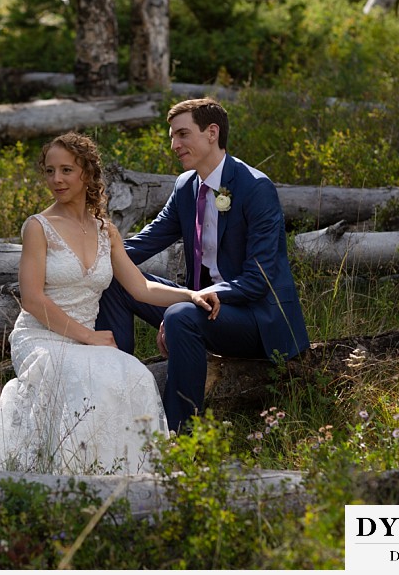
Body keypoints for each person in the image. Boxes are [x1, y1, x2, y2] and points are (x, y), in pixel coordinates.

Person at [0, 132, 219, 475]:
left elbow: (141, 287)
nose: (56, 179)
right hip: (42, 337)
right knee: (91, 377)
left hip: (87, 339)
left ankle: (124, 473)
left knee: (134, 374)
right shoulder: (38, 227)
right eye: (49, 171)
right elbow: (31, 299)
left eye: (66, 170)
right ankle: (69, 473)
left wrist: (190, 295)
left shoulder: (106, 230)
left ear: (86, 174)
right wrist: (89, 337)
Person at [95, 98, 310, 434]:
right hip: (203, 307)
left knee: (181, 316)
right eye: (171, 136)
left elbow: (258, 279)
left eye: (182, 134)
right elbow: (144, 243)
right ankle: (115, 393)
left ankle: (177, 435)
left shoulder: (256, 188)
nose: (174, 144)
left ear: (212, 133)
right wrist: (90, 258)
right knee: (115, 280)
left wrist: (189, 301)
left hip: (254, 317)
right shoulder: (186, 187)